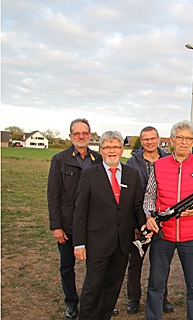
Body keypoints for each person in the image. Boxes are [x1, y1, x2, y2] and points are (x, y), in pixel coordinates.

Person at [73, 130, 153, 320]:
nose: (112, 151)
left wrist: (145, 226)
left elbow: (137, 206)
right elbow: (80, 212)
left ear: (122, 149)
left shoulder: (132, 175)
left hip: (122, 243)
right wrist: (79, 244)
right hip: (97, 242)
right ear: (101, 150)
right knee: (93, 286)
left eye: (115, 147)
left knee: (113, 287)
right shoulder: (89, 175)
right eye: (107, 147)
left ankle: (104, 316)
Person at [144, 120, 193, 320]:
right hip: (163, 235)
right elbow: (149, 197)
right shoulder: (158, 166)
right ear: (172, 140)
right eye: (180, 138)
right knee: (156, 283)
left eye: (189, 139)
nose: (184, 142)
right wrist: (150, 215)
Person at [48, 118, 102, 319]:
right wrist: (56, 226)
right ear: (71, 136)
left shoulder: (98, 159)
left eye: (85, 133)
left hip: (94, 225)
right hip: (68, 225)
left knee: (96, 267)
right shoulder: (59, 160)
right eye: (77, 133)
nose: (81, 136)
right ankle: (71, 302)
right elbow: (53, 195)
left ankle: (96, 301)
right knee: (67, 267)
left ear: (90, 135)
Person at [124, 126, 174, 314]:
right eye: (145, 139)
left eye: (152, 138)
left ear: (158, 139)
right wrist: (136, 223)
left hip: (162, 219)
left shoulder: (168, 160)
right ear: (141, 141)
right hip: (139, 219)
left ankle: (161, 297)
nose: (149, 142)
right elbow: (129, 194)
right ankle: (133, 298)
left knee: (161, 262)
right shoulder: (132, 162)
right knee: (136, 261)